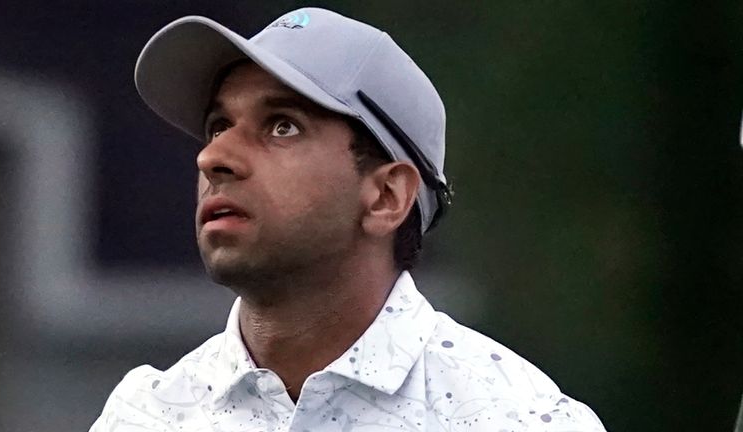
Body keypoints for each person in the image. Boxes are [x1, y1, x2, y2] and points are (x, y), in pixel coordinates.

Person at [90, 7, 606, 432]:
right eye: (218, 126)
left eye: (283, 126)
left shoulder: (518, 421)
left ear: (385, 196)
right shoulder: (144, 416)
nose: (213, 157)